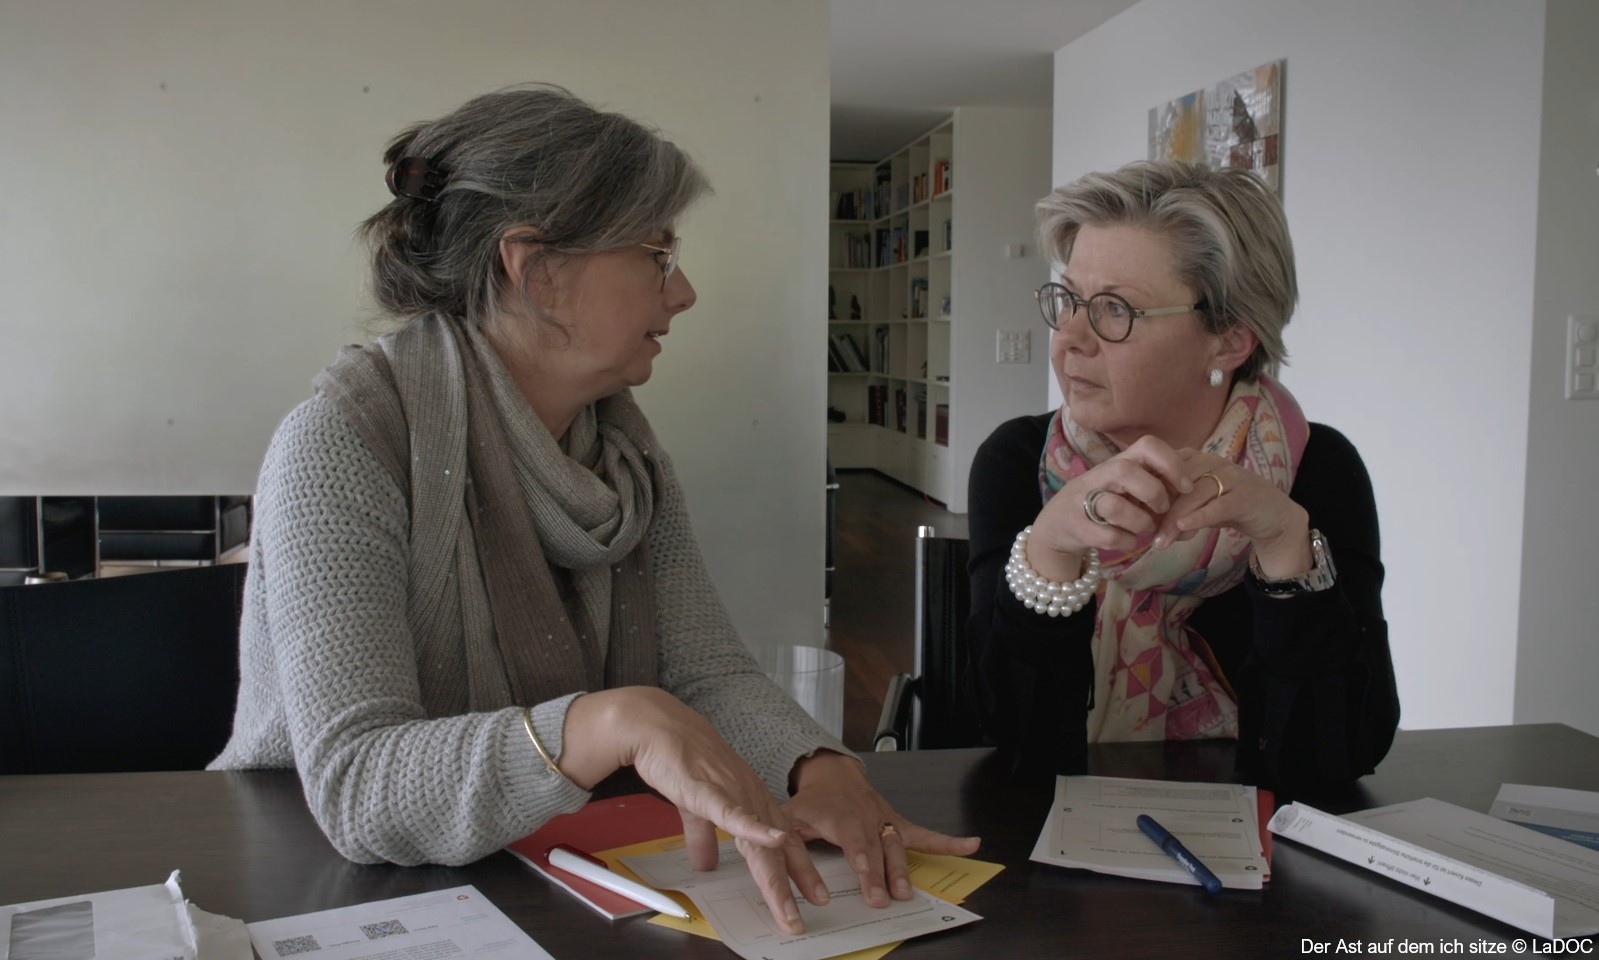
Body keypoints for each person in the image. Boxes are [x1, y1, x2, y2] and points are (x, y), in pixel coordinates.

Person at [210, 85, 977, 933]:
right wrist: (614, 717)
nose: (680, 292)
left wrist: (816, 769)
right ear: (535, 268)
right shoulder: (342, 443)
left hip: (545, 865)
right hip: (325, 887)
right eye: (656, 252)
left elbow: (705, 671)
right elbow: (358, 787)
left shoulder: (622, 446)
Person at [965, 159, 1399, 795]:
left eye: (1115, 310)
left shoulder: (1317, 471)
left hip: (1258, 856)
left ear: (1228, 341)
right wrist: (1050, 552)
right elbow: (1008, 738)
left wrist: (1284, 548)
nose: (1069, 340)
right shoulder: (1019, 462)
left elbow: (1339, 755)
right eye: (1068, 300)